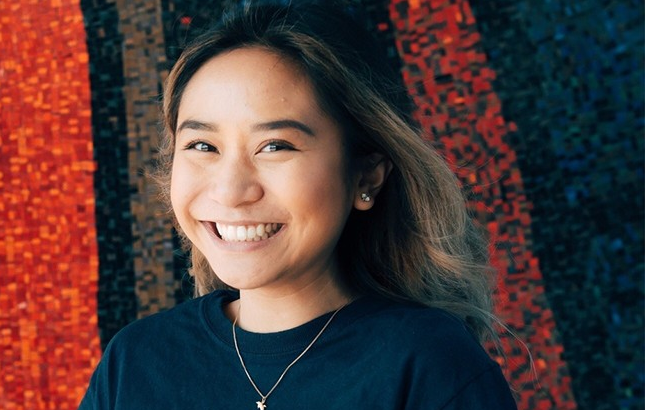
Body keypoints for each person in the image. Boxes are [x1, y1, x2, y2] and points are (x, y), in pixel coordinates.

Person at [79, 2, 518, 409]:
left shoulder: (431, 365)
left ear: (365, 176)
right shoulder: (133, 362)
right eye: (202, 145)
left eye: (275, 146)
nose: (231, 191)